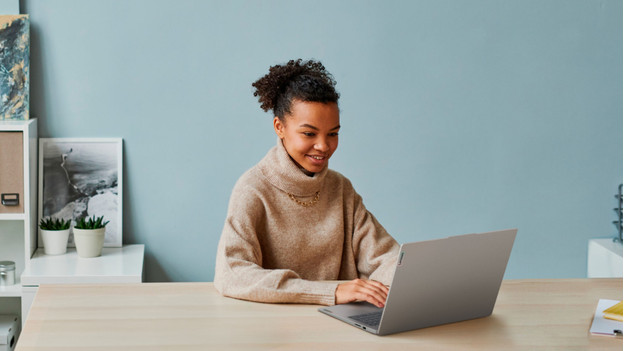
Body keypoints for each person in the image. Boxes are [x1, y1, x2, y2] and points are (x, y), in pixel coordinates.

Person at [214, 59, 399, 308]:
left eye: (333, 134)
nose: (323, 146)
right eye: (309, 134)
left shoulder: (340, 188)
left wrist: (412, 278)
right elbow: (231, 275)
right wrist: (331, 292)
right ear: (279, 127)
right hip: (275, 332)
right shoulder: (253, 189)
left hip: (340, 326)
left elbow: (386, 257)